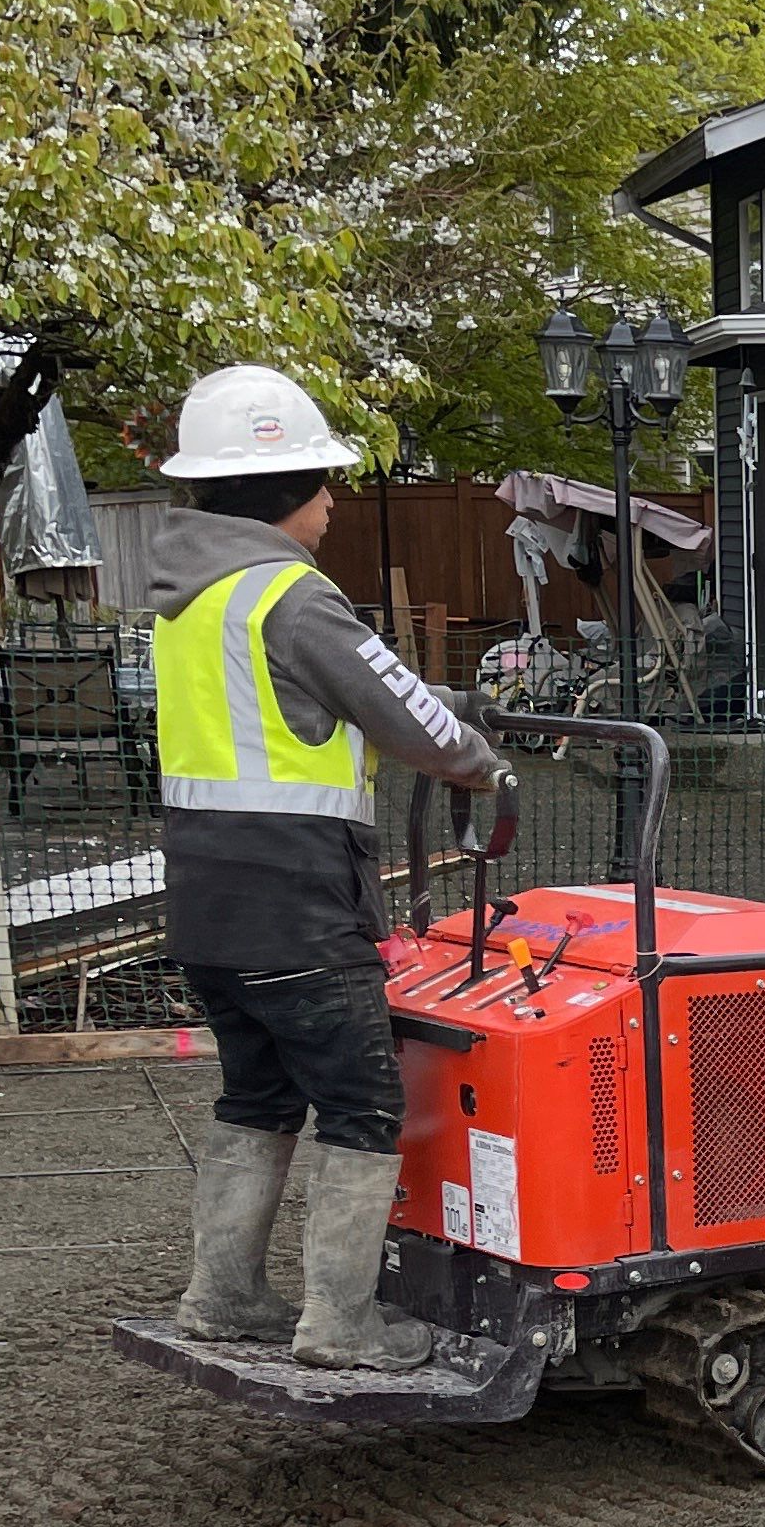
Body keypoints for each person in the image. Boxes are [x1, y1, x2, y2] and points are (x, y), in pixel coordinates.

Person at [148, 362, 515, 1368]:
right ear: (282, 498)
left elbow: (308, 704)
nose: (334, 503)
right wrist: (485, 764)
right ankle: (341, 1321)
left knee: (255, 1097)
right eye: (323, 486)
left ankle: (221, 1296)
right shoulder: (290, 596)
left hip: (207, 907)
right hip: (299, 905)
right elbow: (414, 720)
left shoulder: (185, 604)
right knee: (361, 1104)